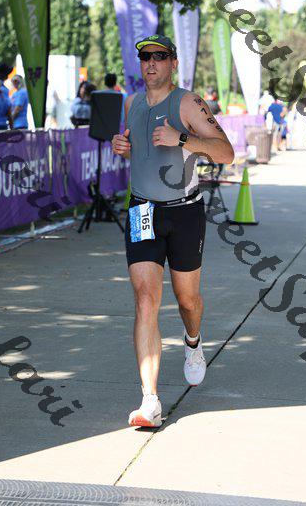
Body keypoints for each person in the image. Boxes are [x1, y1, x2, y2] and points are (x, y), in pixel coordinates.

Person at [111, 35, 234, 428]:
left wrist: (181, 138)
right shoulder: (131, 103)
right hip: (142, 210)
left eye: (159, 56)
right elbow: (142, 151)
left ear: (173, 63)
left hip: (184, 213)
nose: (151, 63)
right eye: (145, 57)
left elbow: (226, 152)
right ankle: (150, 400)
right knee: (146, 300)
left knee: (187, 301)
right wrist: (124, 148)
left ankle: (193, 342)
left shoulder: (188, 103)